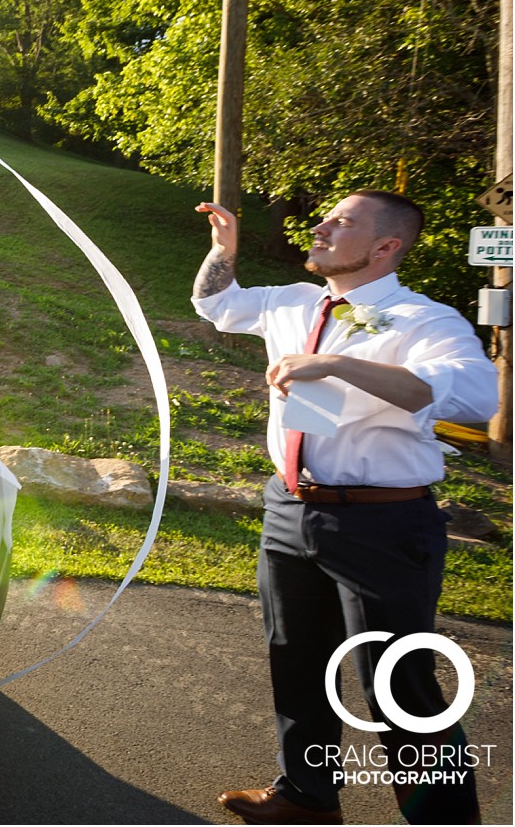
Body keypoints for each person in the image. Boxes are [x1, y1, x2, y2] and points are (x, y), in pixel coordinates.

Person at [193, 192, 497, 826]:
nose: (321, 226)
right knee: (296, 658)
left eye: (343, 222)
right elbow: (216, 305)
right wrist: (224, 253)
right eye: (325, 217)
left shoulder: (425, 320)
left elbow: (471, 396)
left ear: (386, 247)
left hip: (381, 522)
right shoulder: (293, 302)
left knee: (396, 685)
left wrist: (335, 361)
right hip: (290, 507)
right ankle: (306, 799)